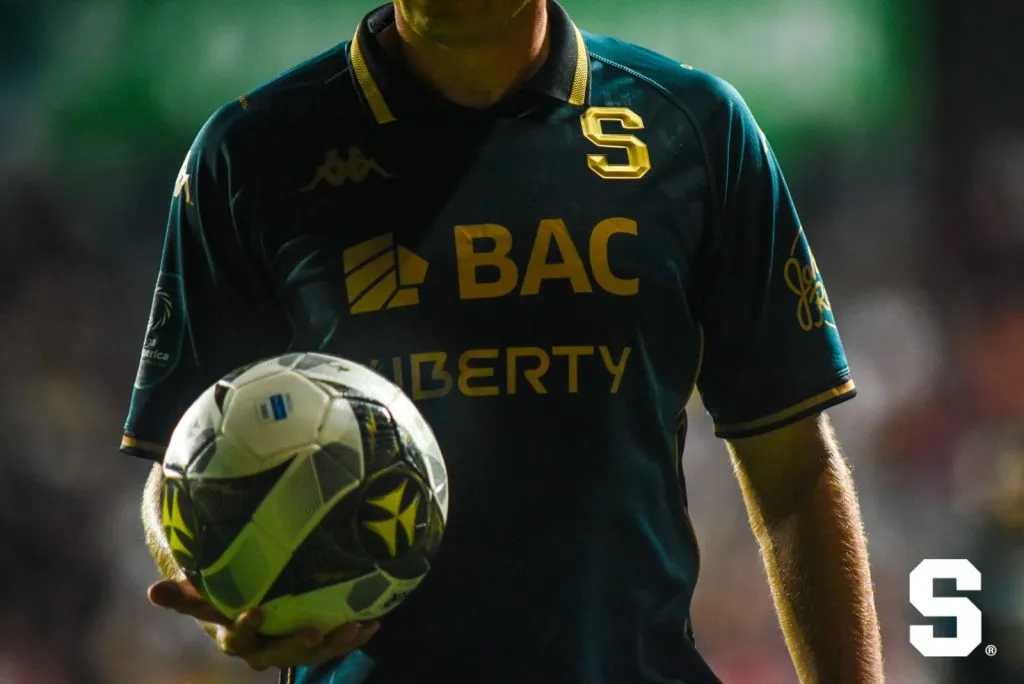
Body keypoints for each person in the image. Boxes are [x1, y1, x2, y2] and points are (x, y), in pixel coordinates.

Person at [122, 1, 884, 682]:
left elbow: (795, 475)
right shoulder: (250, 153)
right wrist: (217, 584)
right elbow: (179, 468)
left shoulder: (694, 129)